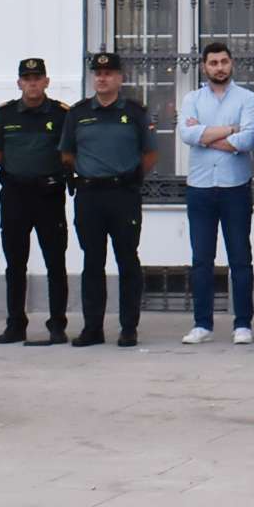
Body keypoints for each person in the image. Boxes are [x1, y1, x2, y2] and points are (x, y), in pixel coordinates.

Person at [62, 51, 154, 347]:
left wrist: (128, 175)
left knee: (127, 260)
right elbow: (66, 153)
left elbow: (150, 154)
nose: (102, 78)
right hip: (89, 195)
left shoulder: (135, 112)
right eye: (98, 73)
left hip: (123, 194)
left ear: (120, 78)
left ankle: (128, 327)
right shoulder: (77, 113)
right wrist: (89, 173)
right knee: (92, 262)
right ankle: (93, 327)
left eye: (109, 73)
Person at [177, 42, 254, 347]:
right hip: (199, 188)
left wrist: (206, 134)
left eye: (224, 61)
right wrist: (229, 129)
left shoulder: (247, 98)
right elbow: (187, 134)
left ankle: (243, 324)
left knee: (240, 258)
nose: (219, 67)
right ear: (204, 66)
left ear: (232, 64)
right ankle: (202, 324)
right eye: (213, 62)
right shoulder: (192, 98)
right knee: (201, 259)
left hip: (235, 187)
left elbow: (249, 138)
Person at [0, 57, 70, 346]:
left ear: (46, 81)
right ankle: (15, 324)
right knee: (15, 263)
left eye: (38, 78)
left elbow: (68, 153)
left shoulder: (60, 114)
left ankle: (57, 324)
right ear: (19, 83)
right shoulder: (6, 114)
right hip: (15, 196)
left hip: (49, 196)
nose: (32, 83)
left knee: (55, 262)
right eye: (27, 78)